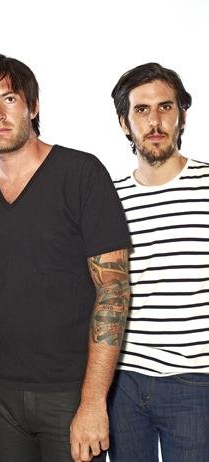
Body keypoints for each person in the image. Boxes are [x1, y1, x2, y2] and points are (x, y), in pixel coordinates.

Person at [0, 53, 131, 462]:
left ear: (32, 107)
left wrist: (94, 402)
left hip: (69, 391)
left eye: (9, 99)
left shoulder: (81, 173)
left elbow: (113, 291)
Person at [108, 63, 209, 461]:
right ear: (124, 123)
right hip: (122, 383)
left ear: (182, 116)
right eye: (141, 109)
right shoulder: (108, 199)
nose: (155, 120)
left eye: (165, 107)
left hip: (195, 382)